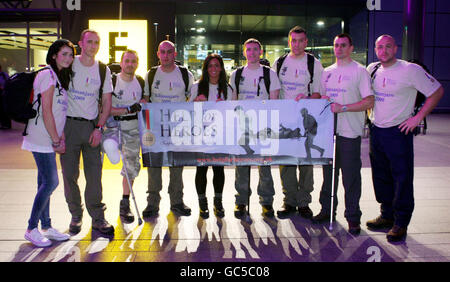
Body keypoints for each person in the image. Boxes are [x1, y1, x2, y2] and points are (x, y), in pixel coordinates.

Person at [366, 35, 444, 242]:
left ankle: (401, 222)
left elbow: (437, 91)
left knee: (401, 178)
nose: (383, 51)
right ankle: (386, 215)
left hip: (398, 132)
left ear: (396, 48)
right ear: (375, 49)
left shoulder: (410, 70)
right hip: (377, 131)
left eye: (388, 47)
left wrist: (417, 118)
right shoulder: (372, 69)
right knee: (381, 176)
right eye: (379, 47)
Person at [312, 34, 374, 235]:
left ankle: (353, 217)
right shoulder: (327, 72)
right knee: (329, 175)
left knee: (351, 178)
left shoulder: (359, 71)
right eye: (336, 45)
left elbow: (368, 102)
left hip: (349, 133)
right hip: (329, 133)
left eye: (343, 45)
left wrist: (344, 107)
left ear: (351, 47)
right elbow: (322, 97)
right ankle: (326, 210)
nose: (338, 48)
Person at [61, 29, 114, 235]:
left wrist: (100, 128)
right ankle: (76, 215)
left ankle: (98, 218)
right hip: (69, 126)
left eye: (97, 42)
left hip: (92, 127)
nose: (93, 46)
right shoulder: (69, 63)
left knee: (94, 175)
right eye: (89, 42)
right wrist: (58, 131)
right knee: (69, 175)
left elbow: (107, 101)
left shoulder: (103, 70)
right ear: (81, 44)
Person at [22, 39, 75, 247]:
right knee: (51, 182)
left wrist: (59, 135)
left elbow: (56, 111)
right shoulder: (47, 75)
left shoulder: (57, 77)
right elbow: (45, 111)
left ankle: (46, 226)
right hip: (41, 138)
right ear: (53, 55)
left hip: (49, 137)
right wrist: (55, 140)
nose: (68, 58)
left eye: (70, 55)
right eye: (64, 54)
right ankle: (31, 228)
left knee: (43, 182)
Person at [272, 26, 324, 219]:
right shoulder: (280, 62)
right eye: (293, 40)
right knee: (286, 162)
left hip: (306, 121)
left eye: (301, 40)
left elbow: (319, 92)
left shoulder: (314, 63)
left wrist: (308, 97)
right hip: (286, 121)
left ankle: (304, 202)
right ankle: (289, 201)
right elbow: (274, 92)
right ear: (289, 41)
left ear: (306, 42)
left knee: (306, 162)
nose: (297, 44)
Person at [142, 40, 194, 218]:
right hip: (156, 129)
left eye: (169, 52)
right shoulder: (151, 74)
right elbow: (146, 100)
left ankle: (177, 202)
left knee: (176, 167)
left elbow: (192, 101)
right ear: (158, 54)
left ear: (175, 54)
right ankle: (152, 203)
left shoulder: (185, 74)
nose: (166, 56)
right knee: (154, 167)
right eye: (162, 52)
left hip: (178, 129)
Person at [229, 38, 280, 219]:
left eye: (254, 50)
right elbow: (233, 101)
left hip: (263, 126)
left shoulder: (270, 74)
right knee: (241, 166)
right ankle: (241, 201)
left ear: (261, 52)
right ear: (244, 52)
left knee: (264, 165)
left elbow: (274, 101)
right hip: (243, 126)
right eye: (248, 50)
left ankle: (266, 202)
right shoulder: (236, 74)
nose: (251, 53)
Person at [102, 50, 145, 223]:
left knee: (131, 168)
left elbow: (145, 103)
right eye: (127, 61)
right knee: (110, 147)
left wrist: (142, 104)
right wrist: (126, 109)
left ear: (137, 63)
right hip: (114, 125)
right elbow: (104, 108)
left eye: (133, 61)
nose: (130, 64)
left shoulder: (140, 82)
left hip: (133, 129)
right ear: (121, 63)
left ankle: (125, 203)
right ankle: (111, 147)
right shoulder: (112, 81)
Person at [189, 53, 232, 219]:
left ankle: (218, 202)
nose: (213, 69)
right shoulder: (196, 87)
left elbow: (234, 114)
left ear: (221, 68)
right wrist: (195, 104)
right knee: (201, 170)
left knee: (218, 169)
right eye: (210, 66)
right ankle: (202, 203)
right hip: (201, 136)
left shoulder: (228, 89)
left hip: (220, 136)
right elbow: (185, 113)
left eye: (216, 65)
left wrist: (226, 107)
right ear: (206, 69)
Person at [0, 64, 11, 129]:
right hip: (3, 94)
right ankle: (4, 124)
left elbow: (8, 83)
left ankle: (6, 124)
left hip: (4, 94)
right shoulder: (4, 75)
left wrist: (3, 88)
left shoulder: (4, 75)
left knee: (4, 109)